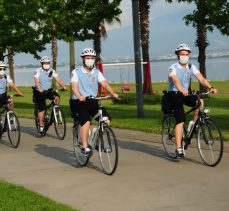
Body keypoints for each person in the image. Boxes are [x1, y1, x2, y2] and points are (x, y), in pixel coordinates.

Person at [167, 43, 217, 158]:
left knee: (200, 101)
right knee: (180, 120)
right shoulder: (172, 67)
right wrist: (181, 90)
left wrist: (210, 87)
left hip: (186, 94)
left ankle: (195, 124)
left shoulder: (191, 66)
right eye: (182, 54)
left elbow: (201, 78)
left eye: (186, 54)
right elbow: (175, 80)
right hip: (174, 95)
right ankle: (178, 148)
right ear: (178, 56)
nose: (184, 56)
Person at [70, 48, 118, 156]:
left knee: (106, 119)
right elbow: (74, 86)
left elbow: (104, 83)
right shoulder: (76, 71)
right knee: (86, 121)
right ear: (83, 59)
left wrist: (113, 93)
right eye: (88, 58)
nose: (90, 60)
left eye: (92, 58)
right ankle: (85, 147)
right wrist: (79, 96)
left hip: (93, 101)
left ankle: (97, 137)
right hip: (79, 102)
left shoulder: (96, 72)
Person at [33, 56, 67, 132]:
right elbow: (37, 82)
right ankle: (41, 125)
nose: (46, 64)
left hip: (48, 91)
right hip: (39, 92)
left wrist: (64, 86)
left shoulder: (52, 71)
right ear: (41, 64)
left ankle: (55, 111)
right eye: (45, 63)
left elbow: (58, 79)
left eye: (48, 63)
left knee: (57, 97)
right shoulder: (38, 71)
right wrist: (40, 89)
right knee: (42, 109)